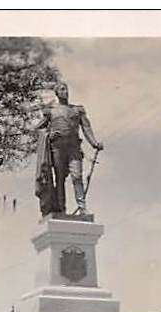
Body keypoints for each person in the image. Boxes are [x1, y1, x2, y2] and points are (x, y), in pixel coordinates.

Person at [34, 82, 104, 215]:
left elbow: (86, 127)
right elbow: (37, 129)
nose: (65, 91)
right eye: (61, 89)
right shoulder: (50, 110)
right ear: (56, 93)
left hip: (74, 147)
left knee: (77, 176)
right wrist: (48, 135)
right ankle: (61, 209)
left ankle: (82, 208)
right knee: (60, 179)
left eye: (66, 89)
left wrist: (94, 143)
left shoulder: (77, 110)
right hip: (57, 147)